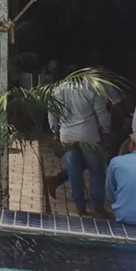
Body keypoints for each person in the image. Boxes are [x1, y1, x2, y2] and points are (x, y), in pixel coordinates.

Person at [47, 79, 112, 216]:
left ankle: (79, 206)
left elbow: (52, 113)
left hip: (67, 136)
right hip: (89, 136)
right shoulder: (91, 90)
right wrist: (106, 131)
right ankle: (97, 205)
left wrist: (55, 132)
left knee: (74, 171)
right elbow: (102, 114)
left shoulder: (57, 90)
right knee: (97, 170)